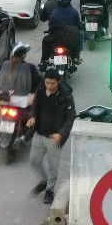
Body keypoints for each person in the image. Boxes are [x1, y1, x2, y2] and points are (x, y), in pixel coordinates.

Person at [27, 67, 76, 205]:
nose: (49, 86)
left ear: (58, 82)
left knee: (53, 167)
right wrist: (32, 117)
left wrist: (61, 133)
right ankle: (44, 180)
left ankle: (50, 190)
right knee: (33, 161)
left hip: (54, 138)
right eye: (47, 82)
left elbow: (71, 117)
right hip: (39, 134)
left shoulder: (66, 96)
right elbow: (35, 106)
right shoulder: (41, 90)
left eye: (52, 83)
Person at [45, 0, 83, 65]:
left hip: (57, 38)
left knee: (45, 40)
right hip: (71, 38)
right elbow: (78, 25)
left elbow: (51, 28)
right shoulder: (74, 12)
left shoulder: (54, 13)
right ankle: (76, 57)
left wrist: (49, 32)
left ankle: (45, 60)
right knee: (80, 34)